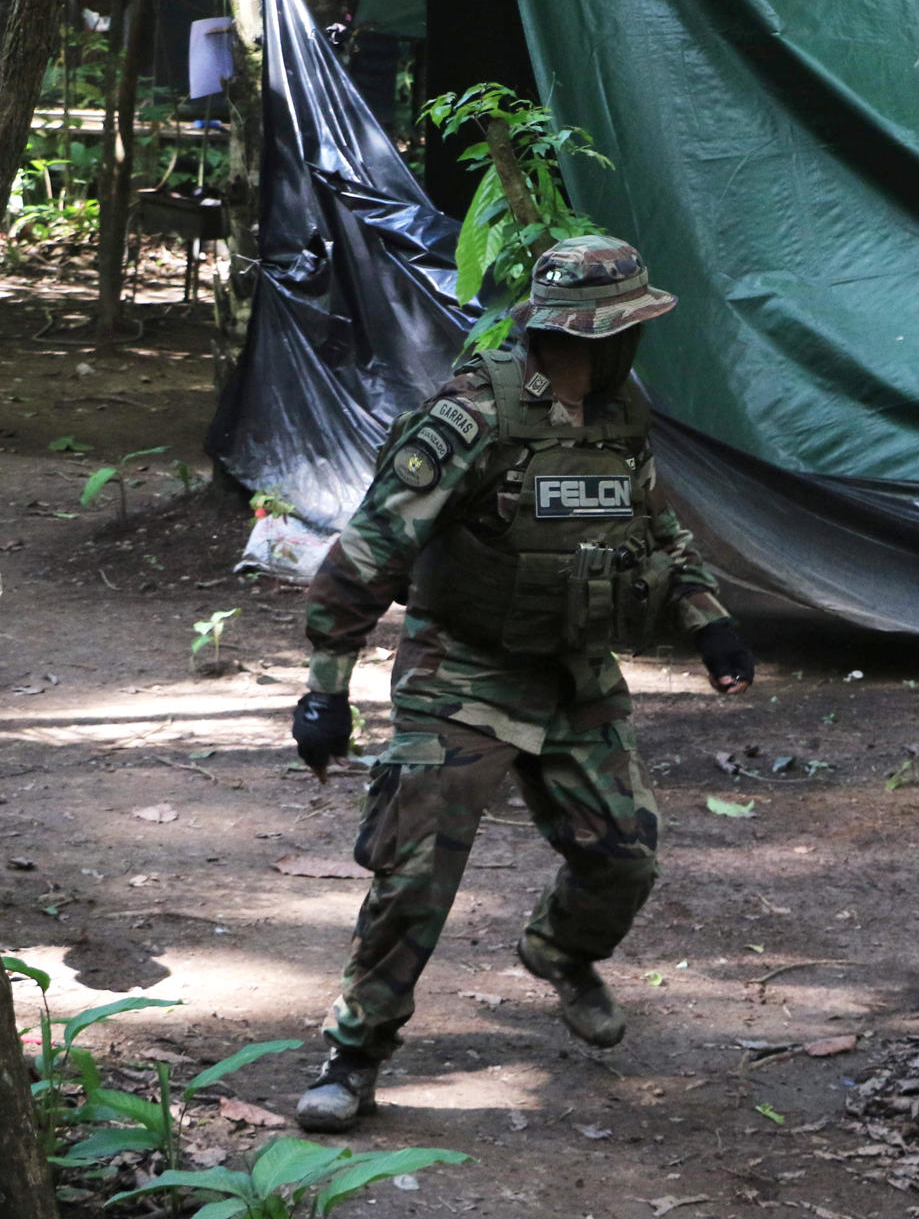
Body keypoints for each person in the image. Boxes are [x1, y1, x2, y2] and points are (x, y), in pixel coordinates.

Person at [287, 236, 754, 1132]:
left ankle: (559, 950)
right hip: (461, 669)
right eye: (624, 329)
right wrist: (325, 689)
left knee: (624, 856)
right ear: (578, 332)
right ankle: (354, 1053)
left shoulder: (623, 414)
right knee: (414, 871)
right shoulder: (471, 419)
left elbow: (655, 528)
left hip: (574, 673)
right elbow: (368, 553)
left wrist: (708, 619)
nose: (632, 345)